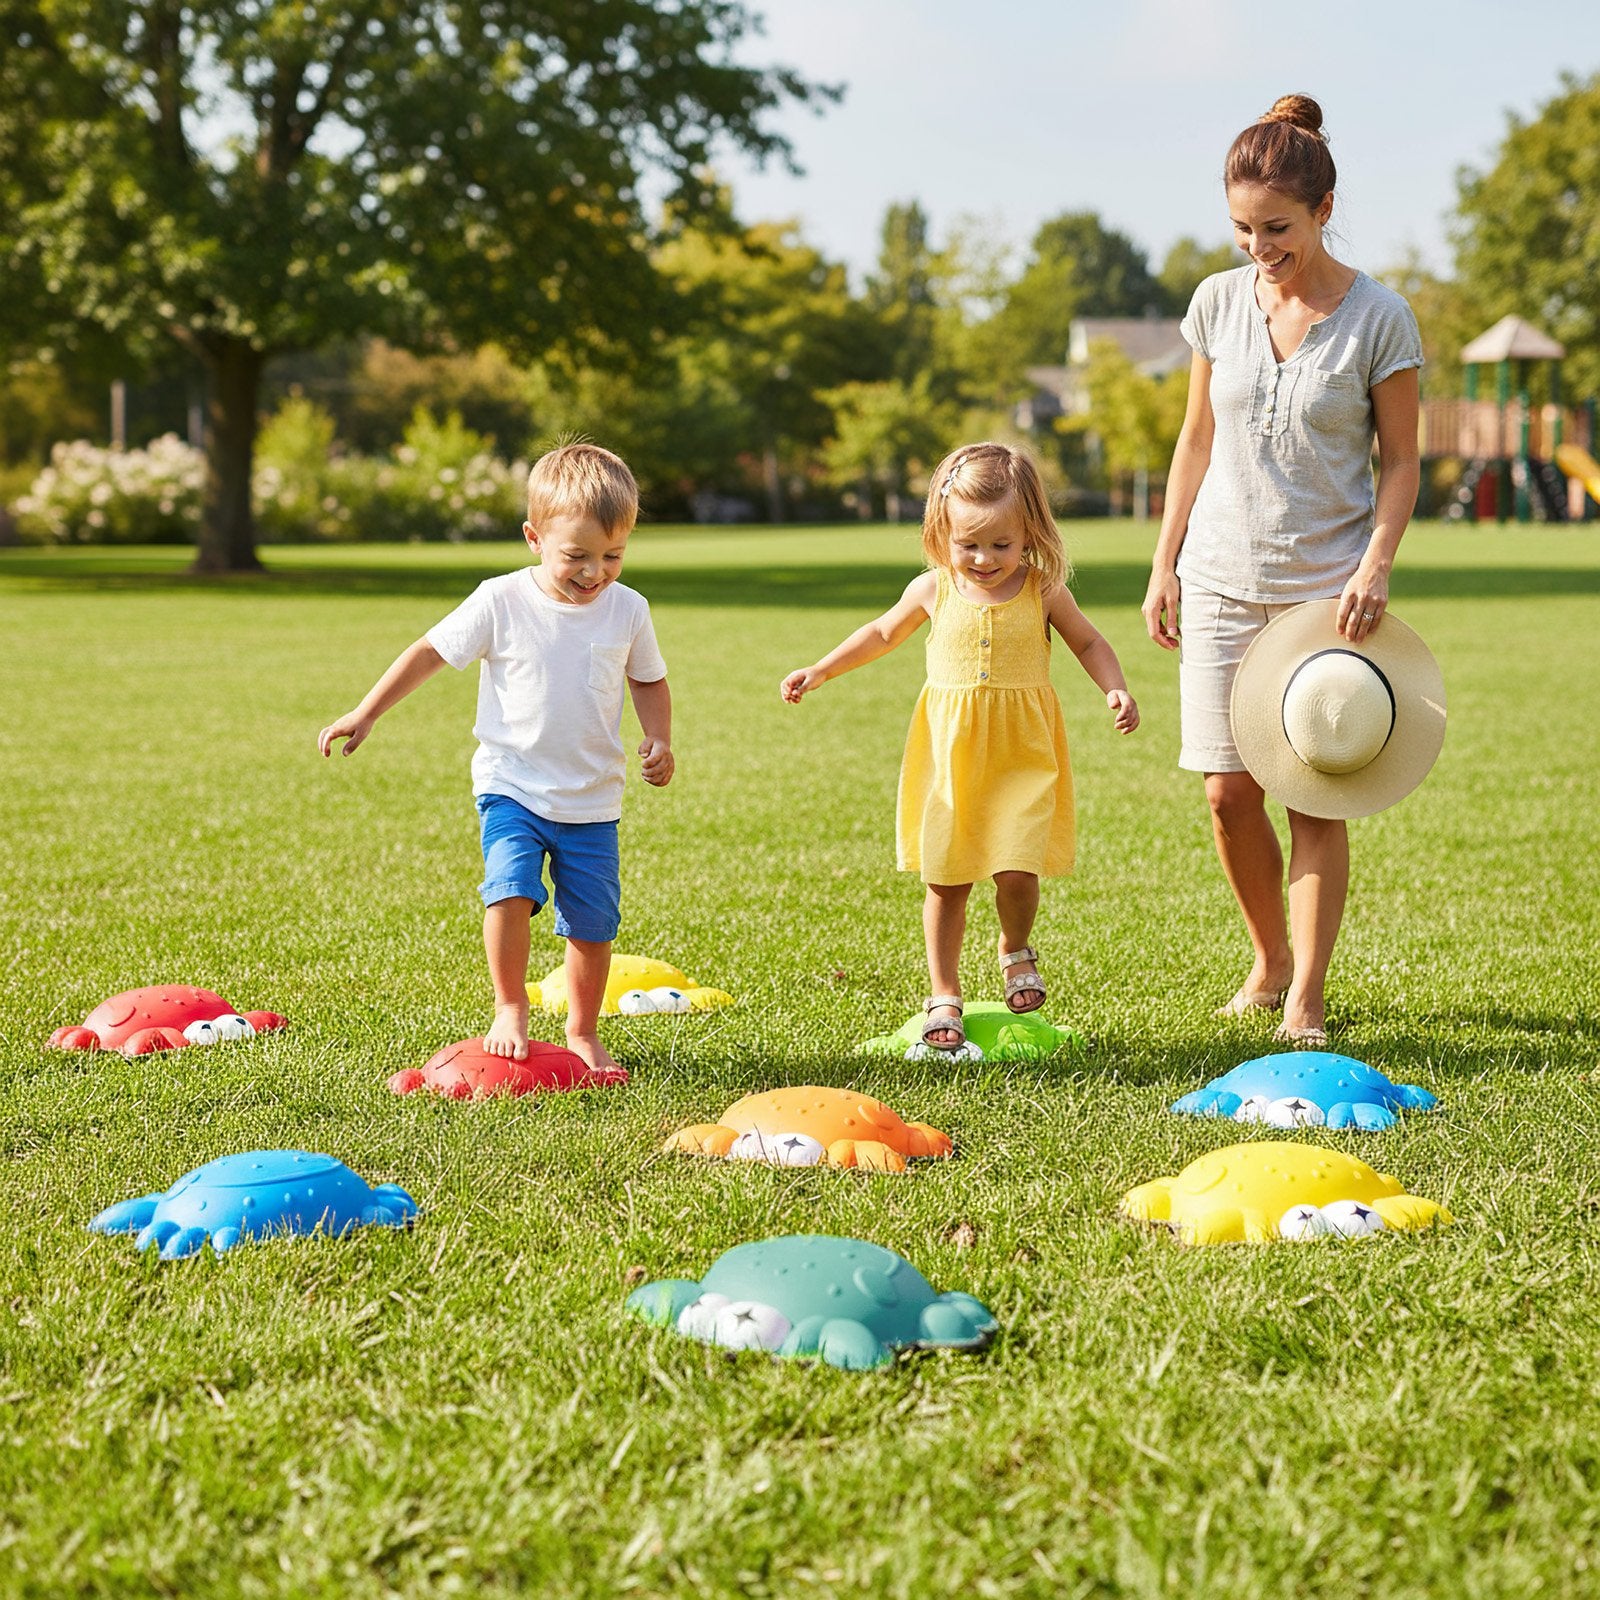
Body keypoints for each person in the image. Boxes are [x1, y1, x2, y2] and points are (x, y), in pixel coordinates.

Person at [1142, 93, 1423, 1047]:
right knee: (1225, 791)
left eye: (1278, 228)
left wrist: (1375, 566)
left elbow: (1404, 462)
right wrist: (1164, 562)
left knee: (1313, 790)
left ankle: (1305, 995)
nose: (1259, 247)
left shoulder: (1380, 317)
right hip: (1220, 574)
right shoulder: (1218, 302)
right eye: (1242, 228)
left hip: (1323, 594)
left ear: (1325, 208)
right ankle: (1267, 957)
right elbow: (1193, 440)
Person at [317, 442, 673, 1072]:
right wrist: (367, 710)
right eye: (577, 557)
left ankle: (583, 1030)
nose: (595, 572)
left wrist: (659, 737)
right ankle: (510, 1005)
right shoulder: (500, 601)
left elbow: (647, 679)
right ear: (534, 538)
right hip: (511, 784)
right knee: (509, 891)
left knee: (592, 924)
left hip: (592, 798)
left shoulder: (629, 609)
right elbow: (428, 651)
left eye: (613, 556)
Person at [782, 442, 1138, 1051]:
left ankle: (1014, 948)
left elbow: (1089, 643)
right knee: (946, 880)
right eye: (967, 544)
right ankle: (942, 990)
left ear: (1029, 532)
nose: (983, 558)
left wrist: (1116, 689)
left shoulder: (1043, 589)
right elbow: (880, 633)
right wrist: (821, 669)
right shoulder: (932, 588)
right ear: (939, 531)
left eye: (1001, 544)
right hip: (951, 758)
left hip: (1023, 754)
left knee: (1018, 871)